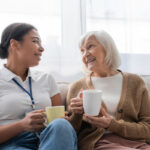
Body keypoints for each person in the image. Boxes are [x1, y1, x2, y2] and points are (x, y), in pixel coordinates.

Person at [66, 30, 150, 150]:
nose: (85, 54)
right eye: (82, 51)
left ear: (107, 48)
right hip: (100, 143)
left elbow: (148, 128)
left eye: (90, 47)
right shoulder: (77, 87)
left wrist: (112, 124)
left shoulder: (136, 82)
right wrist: (77, 114)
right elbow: (69, 133)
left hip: (138, 143)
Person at [0, 23, 77, 150]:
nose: (42, 48)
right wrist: (22, 125)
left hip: (50, 138)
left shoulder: (46, 79)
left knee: (61, 125)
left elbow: (61, 119)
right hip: (14, 143)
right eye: (35, 41)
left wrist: (66, 119)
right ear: (14, 44)